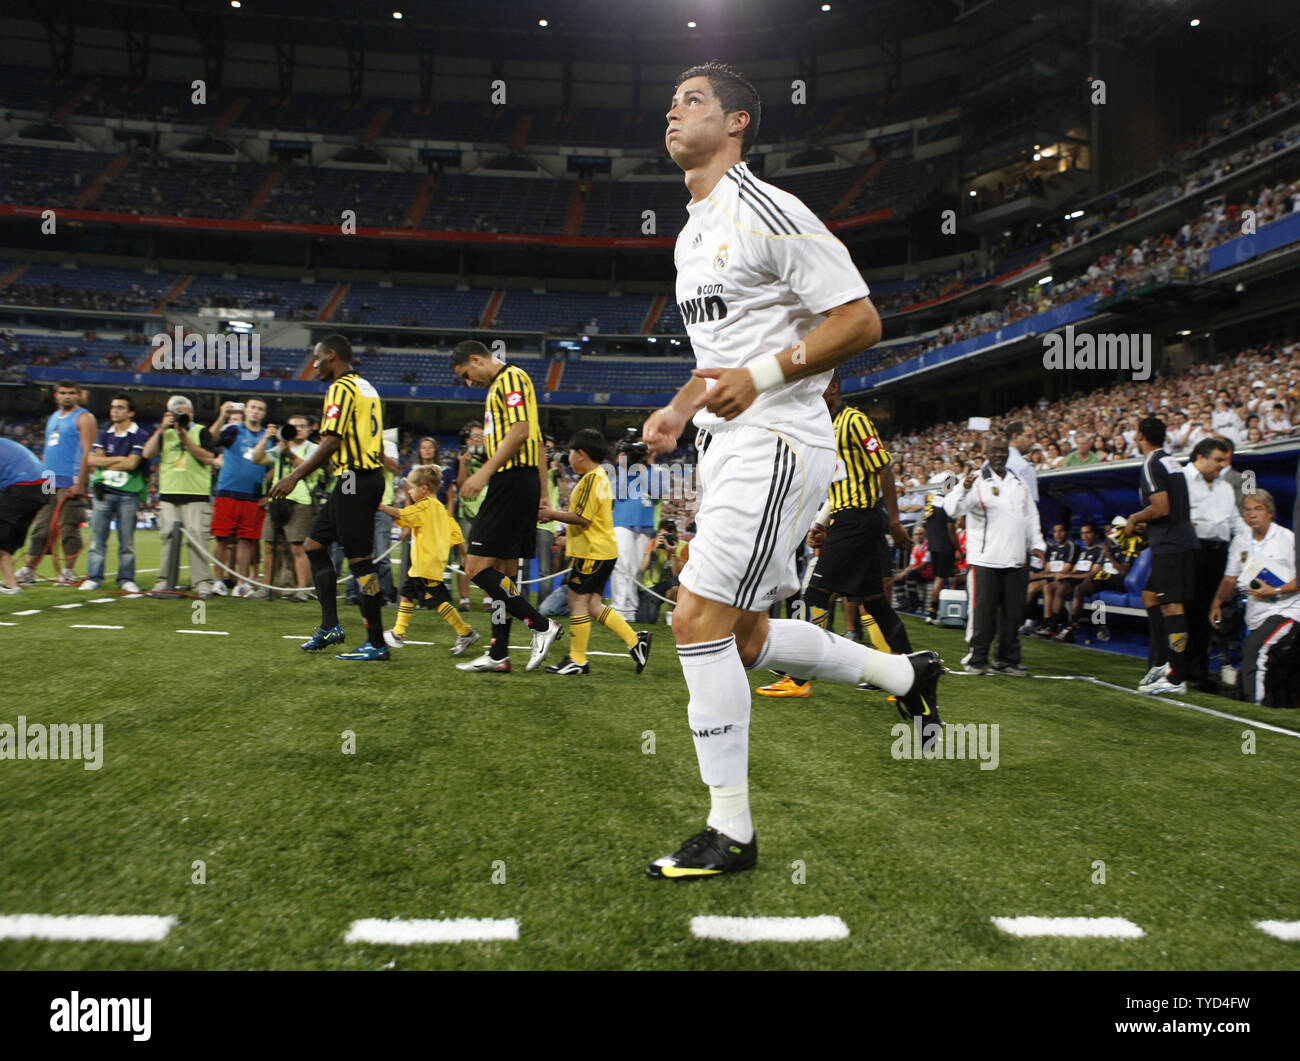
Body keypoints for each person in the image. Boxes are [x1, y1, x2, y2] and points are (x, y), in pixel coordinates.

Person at [640, 61, 941, 880]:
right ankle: (901, 671)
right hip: (727, 439)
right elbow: (718, 361)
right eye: (671, 102)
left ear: (737, 122)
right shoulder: (691, 232)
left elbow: (861, 319)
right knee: (742, 635)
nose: (674, 111)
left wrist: (763, 377)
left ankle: (730, 830)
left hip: (778, 438)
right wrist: (679, 409)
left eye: (692, 99)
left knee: (694, 621)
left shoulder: (766, 208)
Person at [759, 372, 917, 699]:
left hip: (859, 519)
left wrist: (897, 521)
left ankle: (799, 676)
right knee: (874, 603)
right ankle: (910, 673)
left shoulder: (854, 421)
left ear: (832, 388)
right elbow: (837, 483)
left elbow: (883, 467)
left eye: (816, 387)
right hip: (848, 518)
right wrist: (821, 522)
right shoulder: (825, 427)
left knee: (816, 593)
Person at [267, 334, 390, 660]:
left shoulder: (340, 388)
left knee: (361, 561)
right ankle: (330, 626)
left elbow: (332, 441)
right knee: (314, 546)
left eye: (317, 357)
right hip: (360, 477)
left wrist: (294, 476)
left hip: (354, 478)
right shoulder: (367, 387)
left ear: (332, 355)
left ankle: (377, 642)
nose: (315, 364)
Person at [449, 340, 562, 673]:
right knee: (504, 573)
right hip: (522, 482)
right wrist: (544, 493)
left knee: (475, 568)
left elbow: (522, 431)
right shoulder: (506, 385)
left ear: (475, 359)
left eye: (466, 375)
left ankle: (542, 625)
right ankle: (499, 654)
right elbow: (538, 441)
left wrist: (484, 472)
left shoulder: (510, 378)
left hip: (510, 481)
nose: (469, 382)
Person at [537, 428, 652, 675]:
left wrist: (550, 514)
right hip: (602, 551)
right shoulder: (598, 476)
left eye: (569, 453)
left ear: (580, 454)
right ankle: (635, 640)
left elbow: (582, 518)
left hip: (593, 552)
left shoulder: (592, 479)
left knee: (576, 601)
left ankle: (577, 660)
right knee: (593, 605)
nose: (567, 457)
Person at [945, 439, 1045, 676]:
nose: (999, 455)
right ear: (987, 453)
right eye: (995, 451)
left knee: (1014, 614)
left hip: (1016, 560)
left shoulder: (1019, 483)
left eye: (1003, 451)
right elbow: (952, 509)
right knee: (983, 613)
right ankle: (976, 658)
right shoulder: (976, 480)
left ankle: (1006, 660)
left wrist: (1038, 545)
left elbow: (1031, 518)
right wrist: (963, 488)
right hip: (984, 561)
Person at [1127, 416, 1201, 695]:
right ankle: (1162, 661)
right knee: (1150, 596)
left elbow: (1160, 507)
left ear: (1141, 435)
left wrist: (1134, 518)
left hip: (1171, 546)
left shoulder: (1150, 463)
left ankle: (1176, 677)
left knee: (1173, 607)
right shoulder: (1172, 461)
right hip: (1178, 541)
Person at [378, 464, 480, 656]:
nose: (408, 491)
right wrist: (465, 556)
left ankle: (465, 631)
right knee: (407, 594)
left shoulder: (424, 506)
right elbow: (457, 534)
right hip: (426, 564)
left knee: (439, 602)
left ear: (424, 488)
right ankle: (398, 633)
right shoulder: (441, 509)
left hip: (426, 565)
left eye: (411, 487)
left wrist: (380, 506)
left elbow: (402, 514)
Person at [1210, 490, 1299, 704]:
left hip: (1287, 608)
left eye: (1258, 509)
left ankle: (1253, 703)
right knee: (1260, 653)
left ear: (1270, 513)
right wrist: (1217, 602)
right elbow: (1230, 578)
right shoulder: (1240, 541)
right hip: (1257, 613)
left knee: (1255, 649)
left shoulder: (1288, 539)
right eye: (1247, 510)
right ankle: (1266, 696)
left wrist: (1275, 591)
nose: (1252, 514)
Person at [1183, 437, 1248, 690]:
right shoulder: (1181, 479)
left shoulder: (1225, 487)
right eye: (1218, 459)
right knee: (1187, 612)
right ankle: (1180, 666)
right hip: (1192, 551)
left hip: (1219, 553)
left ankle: (1199, 669)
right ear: (1201, 457)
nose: (1223, 464)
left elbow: (1235, 522)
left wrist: (1250, 543)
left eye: (1225, 459)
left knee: (1209, 613)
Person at [15, 381, 95, 586]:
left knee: (69, 527)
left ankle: (68, 572)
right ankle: (29, 570)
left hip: (70, 480)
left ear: (79, 395)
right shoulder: (53, 417)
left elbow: (87, 453)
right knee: (41, 526)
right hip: (48, 479)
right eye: (62, 393)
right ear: (56, 395)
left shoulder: (84, 418)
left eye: (71, 393)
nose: (67, 396)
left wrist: (81, 482)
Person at [143, 394, 217, 597]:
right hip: (169, 493)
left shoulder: (201, 431)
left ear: (191, 413)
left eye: (183, 412)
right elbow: (147, 453)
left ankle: (202, 583)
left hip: (196, 494)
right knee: (167, 538)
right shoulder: (164, 433)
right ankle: (164, 582)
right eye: (176, 413)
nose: (180, 416)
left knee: (197, 539)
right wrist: (161, 428)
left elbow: (208, 458)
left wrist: (185, 437)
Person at [80, 393, 149, 594]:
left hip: (129, 494)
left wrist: (107, 460)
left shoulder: (140, 435)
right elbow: (91, 460)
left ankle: (126, 579)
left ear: (130, 412)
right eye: (113, 407)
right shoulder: (104, 433)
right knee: (97, 539)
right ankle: (94, 577)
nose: (115, 411)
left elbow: (132, 463)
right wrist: (120, 459)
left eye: (120, 407)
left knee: (126, 541)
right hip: (104, 492)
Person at [251, 414, 318, 601]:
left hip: (300, 501)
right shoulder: (280, 447)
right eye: (293, 426)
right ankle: (266, 587)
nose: (297, 429)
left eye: (301, 426)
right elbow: (256, 459)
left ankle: (302, 589)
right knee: (270, 546)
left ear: (308, 429)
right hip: (276, 501)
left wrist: (288, 452)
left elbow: (308, 468)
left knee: (298, 547)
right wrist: (266, 437)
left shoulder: (314, 448)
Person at [211, 397, 270, 597]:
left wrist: (267, 492)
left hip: (252, 495)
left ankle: (241, 583)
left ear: (264, 413)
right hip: (227, 491)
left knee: (247, 541)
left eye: (260, 408)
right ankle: (218, 580)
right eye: (253, 407)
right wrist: (222, 417)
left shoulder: (268, 437)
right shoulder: (233, 429)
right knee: (221, 538)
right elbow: (210, 439)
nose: (256, 411)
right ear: (246, 410)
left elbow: (272, 468)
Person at [609, 436, 661, 621]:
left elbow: (656, 492)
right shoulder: (619, 471)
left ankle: (630, 610)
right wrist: (624, 464)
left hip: (645, 524)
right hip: (623, 522)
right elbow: (619, 492)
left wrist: (651, 462)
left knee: (637, 568)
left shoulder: (652, 470)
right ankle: (618, 608)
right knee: (623, 565)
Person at [0, 437, 47, 594]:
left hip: (22, 486)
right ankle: (11, 583)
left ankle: (12, 586)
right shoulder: (7, 443)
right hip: (41, 488)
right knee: (7, 543)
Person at [454, 420, 488, 609]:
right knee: (465, 556)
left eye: (482, 436)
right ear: (466, 439)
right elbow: (460, 485)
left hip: (487, 509)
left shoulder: (492, 455)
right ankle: (464, 599)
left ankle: (488, 599)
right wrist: (463, 463)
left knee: (489, 556)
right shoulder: (461, 455)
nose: (479, 440)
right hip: (467, 510)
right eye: (476, 437)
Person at [1023, 522, 1078, 637]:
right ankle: (1029, 620)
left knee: (1048, 587)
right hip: (1052, 577)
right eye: (1055, 531)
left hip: (1062, 580)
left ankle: (1049, 624)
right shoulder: (1053, 547)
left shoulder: (1071, 545)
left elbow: (1065, 570)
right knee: (1030, 587)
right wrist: (1044, 574)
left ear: (1066, 532)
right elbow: (1047, 568)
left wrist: (1044, 574)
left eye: (1060, 531)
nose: (1057, 534)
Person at [638, 518, 686, 624]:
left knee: (676, 583)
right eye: (664, 536)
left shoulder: (682, 546)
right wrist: (653, 550)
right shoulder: (653, 543)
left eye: (670, 535)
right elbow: (642, 567)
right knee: (648, 619)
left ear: (675, 534)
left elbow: (677, 575)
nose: (666, 539)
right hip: (650, 587)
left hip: (668, 586)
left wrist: (672, 553)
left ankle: (670, 612)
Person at [1006, 420, 1039, 503]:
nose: (1034, 441)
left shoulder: (987, 462)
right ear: (1015, 437)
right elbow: (1031, 503)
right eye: (1029, 436)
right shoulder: (1025, 467)